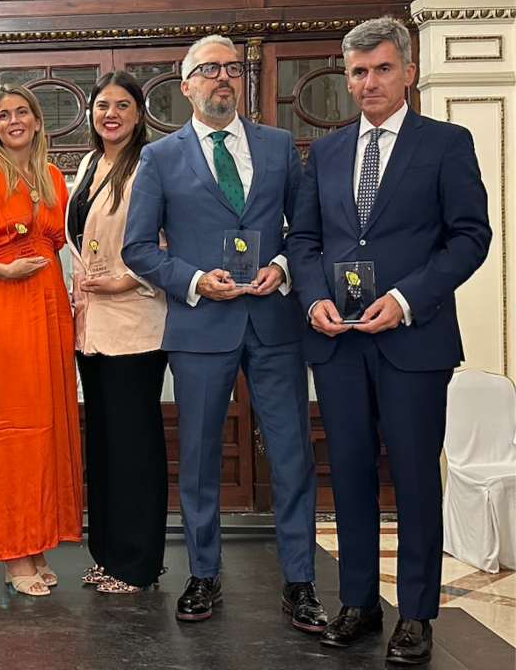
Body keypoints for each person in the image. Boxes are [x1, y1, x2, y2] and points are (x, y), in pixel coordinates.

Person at [288, 17, 491, 664]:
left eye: (380, 68)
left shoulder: (446, 143)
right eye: (357, 71)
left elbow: (470, 236)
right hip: (339, 341)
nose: (368, 82)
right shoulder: (325, 152)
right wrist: (315, 295)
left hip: (414, 339)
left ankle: (418, 614)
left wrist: (405, 299)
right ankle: (359, 605)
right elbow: (305, 241)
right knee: (346, 476)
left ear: (407, 70)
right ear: (345, 79)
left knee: (412, 480)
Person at [122, 35, 326, 631]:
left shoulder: (279, 145)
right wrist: (191, 280)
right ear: (185, 85)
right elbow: (137, 247)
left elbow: (305, 228)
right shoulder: (160, 158)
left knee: (291, 456)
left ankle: (301, 583)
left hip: (273, 322)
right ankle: (203, 576)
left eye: (231, 69)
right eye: (208, 70)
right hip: (201, 326)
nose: (222, 79)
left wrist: (283, 267)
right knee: (202, 459)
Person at [0, 84, 83, 597]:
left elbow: (64, 240)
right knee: (15, 431)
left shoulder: (52, 177)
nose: (14, 121)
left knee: (47, 427)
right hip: (7, 307)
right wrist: (3, 271)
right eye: (3, 115)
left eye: (21, 112)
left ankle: (40, 545)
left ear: (35, 120)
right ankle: (13, 556)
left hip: (50, 306)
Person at [66, 73, 168, 594]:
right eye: (103, 105)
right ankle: (106, 554)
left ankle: (139, 563)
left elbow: (172, 238)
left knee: (135, 445)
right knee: (104, 444)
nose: (111, 114)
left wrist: (127, 277)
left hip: (136, 324)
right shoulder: (88, 165)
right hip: (91, 325)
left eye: (122, 105)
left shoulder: (153, 163)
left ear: (139, 112)